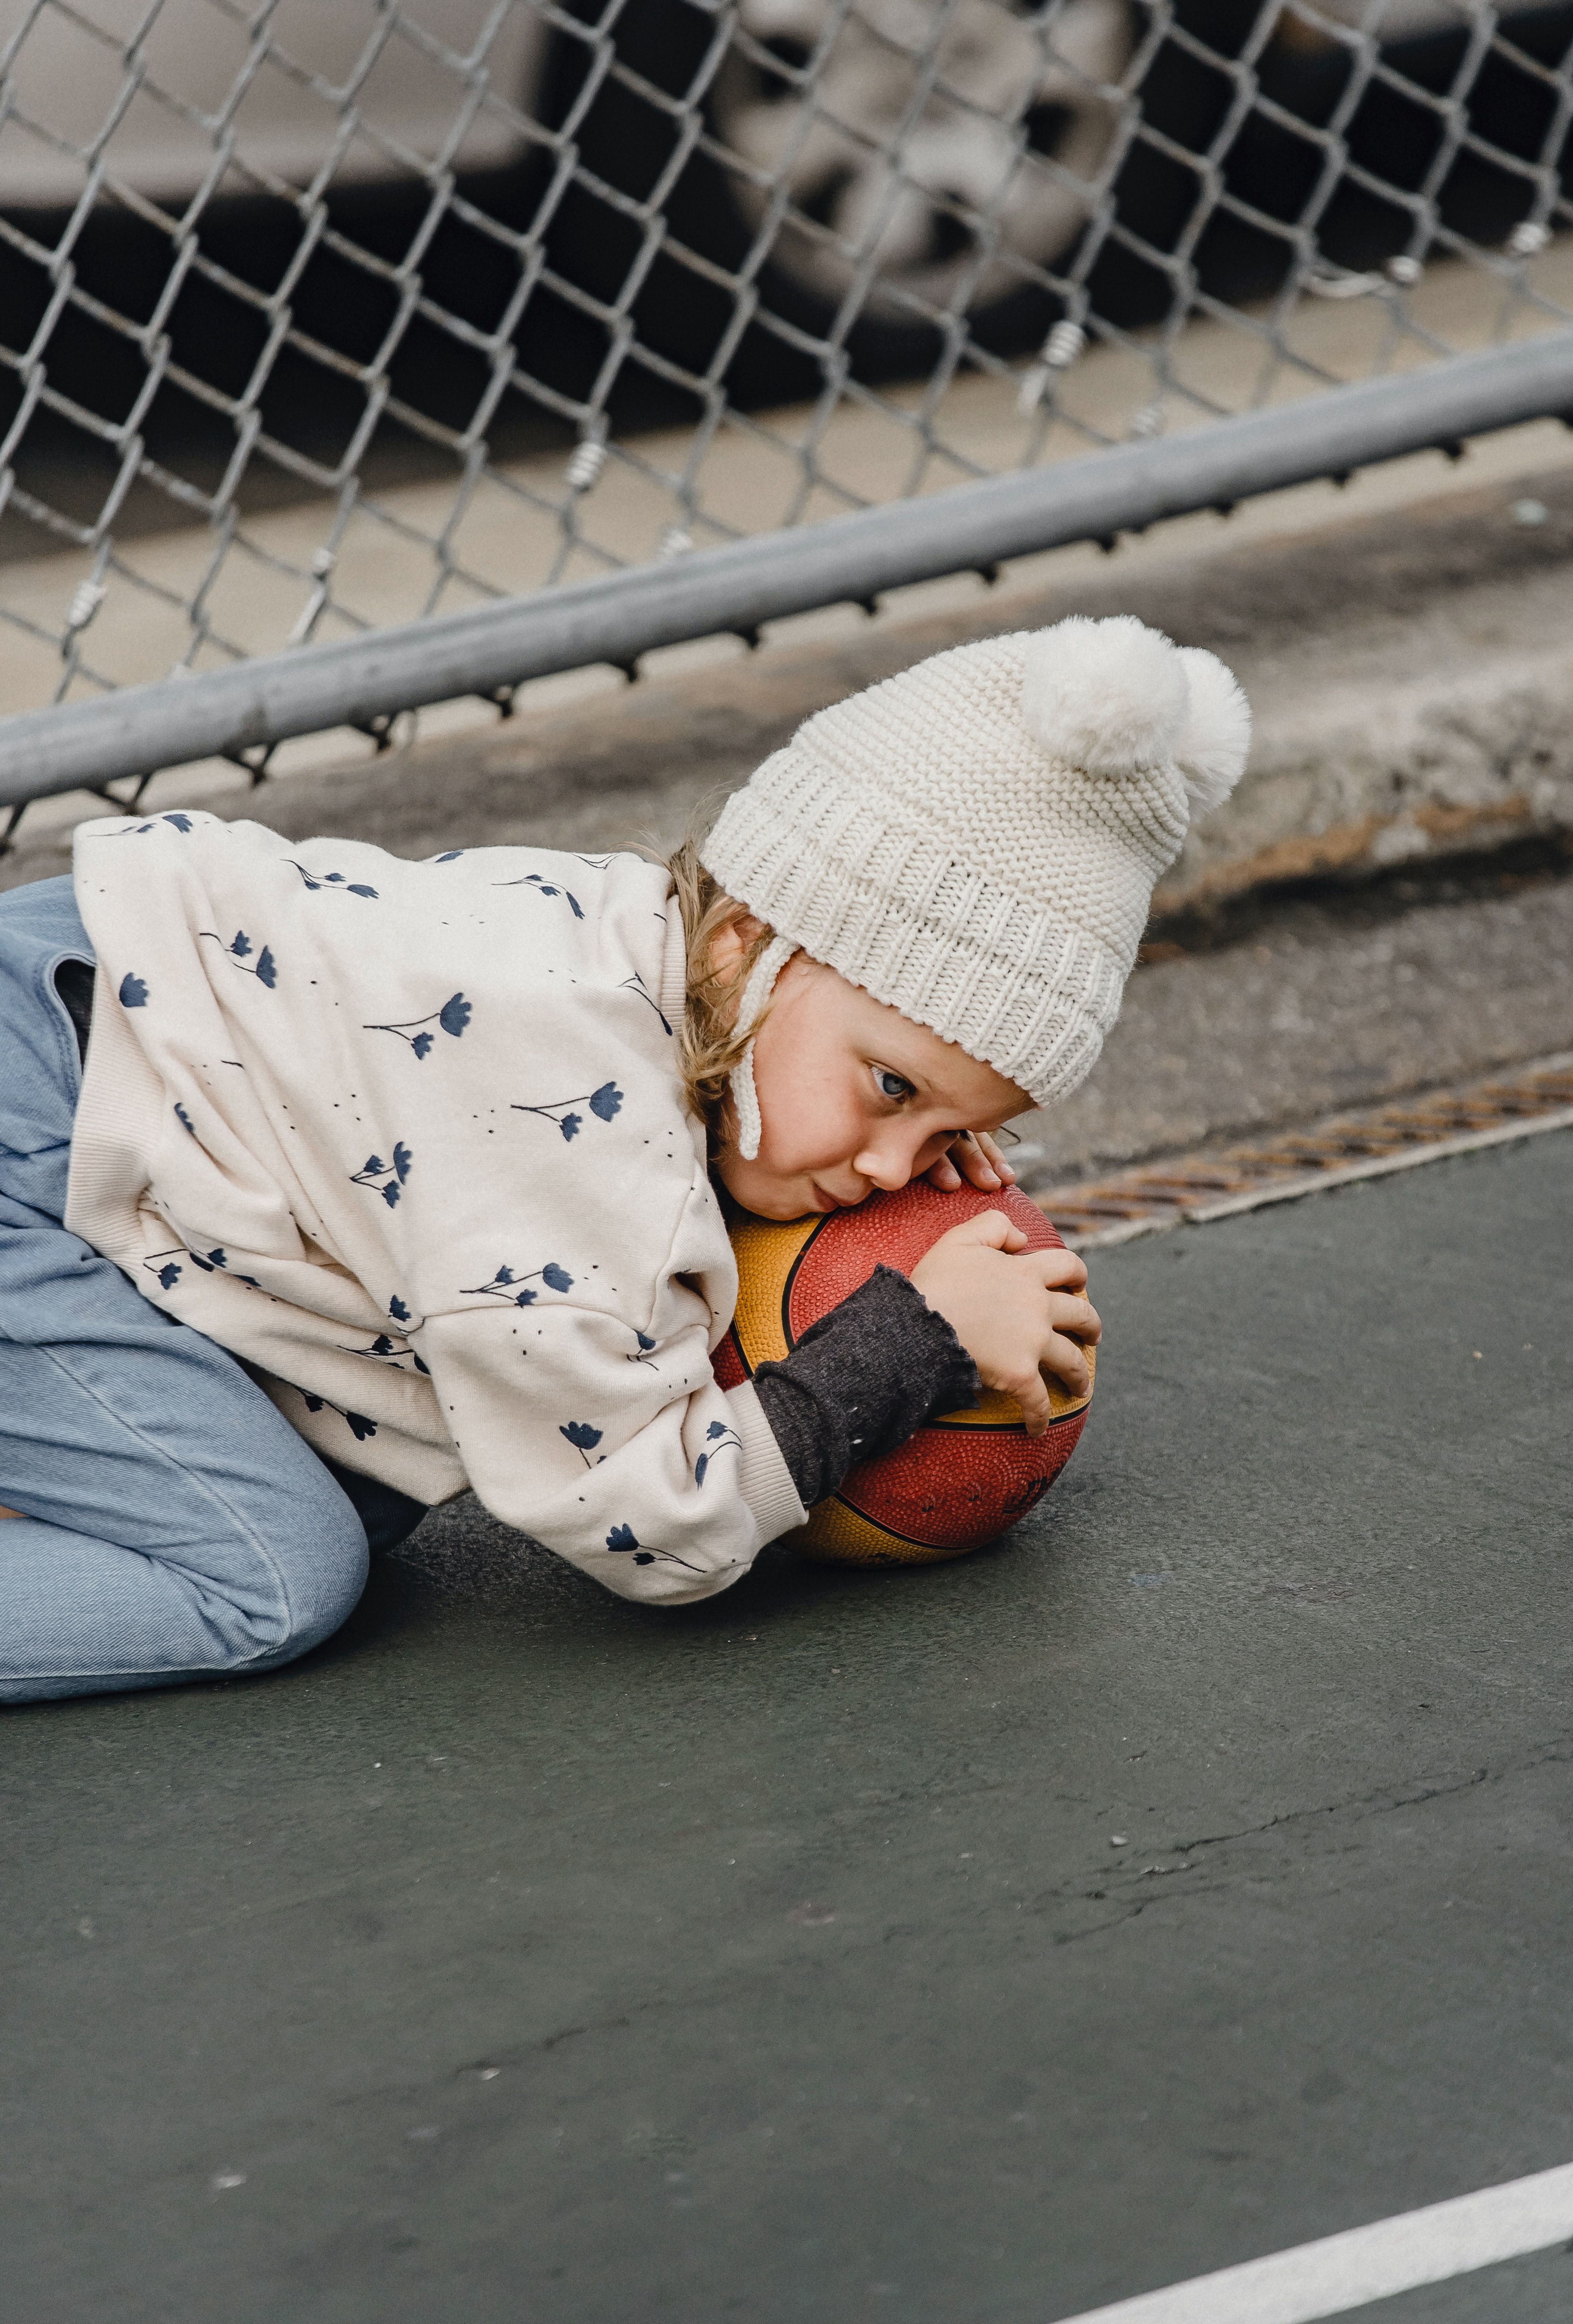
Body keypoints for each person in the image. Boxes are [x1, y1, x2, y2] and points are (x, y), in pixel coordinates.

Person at [0, 613, 1249, 1701]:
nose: (889, 1172)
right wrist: (909, 1339)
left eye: (956, 1132)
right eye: (890, 1087)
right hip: (29, 1117)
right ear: (745, 949)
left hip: (83, 1037)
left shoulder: (621, 939)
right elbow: (648, 1525)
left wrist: (897, 1122)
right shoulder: (570, 1098)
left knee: (365, 1468)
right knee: (275, 1571)